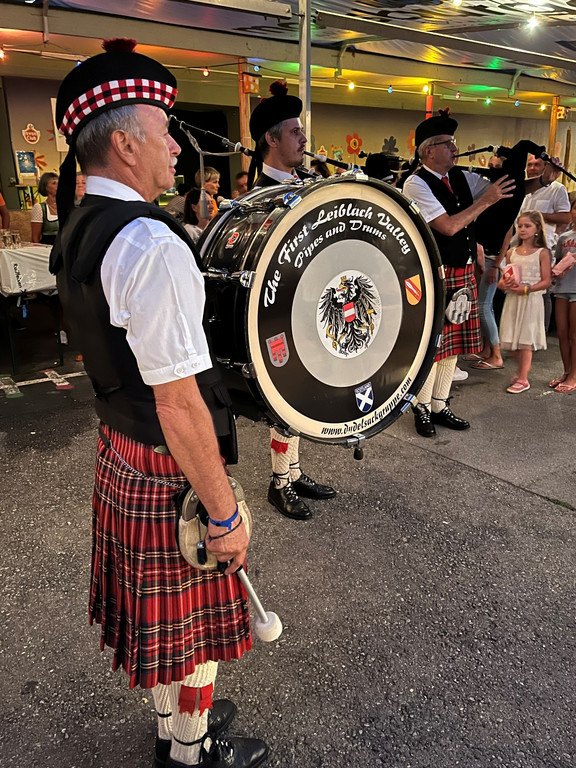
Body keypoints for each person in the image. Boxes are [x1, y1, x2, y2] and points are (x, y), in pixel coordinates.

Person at [49, 38, 267, 768]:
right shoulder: (149, 242)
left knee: (171, 631)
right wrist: (226, 514)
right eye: (165, 127)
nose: (177, 144)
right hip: (167, 459)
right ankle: (190, 749)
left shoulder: (83, 222)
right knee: (195, 635)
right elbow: (179, 404)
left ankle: (178, 724)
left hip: (122, 448)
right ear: (123, 140)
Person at [248, 80, 336, 520]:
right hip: (278, 311)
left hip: (311, 303)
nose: (304, 139)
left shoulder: (306, 182)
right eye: (295, 132)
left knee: (302, 397)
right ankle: (279, 482)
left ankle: (295, 471)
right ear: (271, 139)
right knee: (287, 400)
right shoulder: (257, 196)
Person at [401, 108, 515, 437]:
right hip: (435, 273)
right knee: (436, 345)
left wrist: (516, 167)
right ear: (428, 151)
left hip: (461, 269)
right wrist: (486, 201)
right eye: (447, 144)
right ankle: (421, 407)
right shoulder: (415, 183)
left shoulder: (461, 177)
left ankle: (440, 404)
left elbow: (500, 192)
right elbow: (449, 226)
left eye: (454, 142)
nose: (455, 148)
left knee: (454, 345)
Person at [515, 154, 570, 331]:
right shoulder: (522, 188)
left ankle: (540, 332)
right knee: (519, 289)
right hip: (518, 246)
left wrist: (536, 216)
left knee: (541, 292)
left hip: (542, 248)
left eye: (537, 165)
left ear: (546, 167)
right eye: (529, 164)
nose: (532, 168)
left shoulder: (556, 189)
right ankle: (521, 331)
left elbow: (566, 216)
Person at [498, 211, 551, 393]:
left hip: (530, 300)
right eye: (520, 226)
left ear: (537, 229)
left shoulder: (542, 253)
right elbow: (502, 280)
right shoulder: (511, 252)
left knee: (525, 341)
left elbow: (546, 280)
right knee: (512, 340)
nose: (522, 229)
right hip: (513, 299)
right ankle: (521, 370)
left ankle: (523, 378)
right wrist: (505, 284)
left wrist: (527, 289)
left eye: (527, 226)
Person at [549, 198, 576, 392]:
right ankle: (566, 371)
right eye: (575, 208)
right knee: (562, 334)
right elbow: (558, 261)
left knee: (575, 335)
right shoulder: (564, 237)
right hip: (561, 288)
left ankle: (574, 376)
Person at [30, 172, 59, 244]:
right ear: (45, 187)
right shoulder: (39, 208)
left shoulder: (68, 206)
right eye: (54, 183)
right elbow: (35, 238)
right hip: (49, 248)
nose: (58, 185)